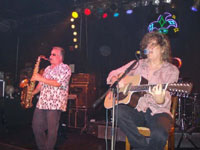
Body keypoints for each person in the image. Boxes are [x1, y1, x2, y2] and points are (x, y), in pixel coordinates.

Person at [106, 31, 179, 150]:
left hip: (158, 111)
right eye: (147, 45)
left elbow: (164, 98)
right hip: (137, 109)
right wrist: (117, 79)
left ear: (162, 49)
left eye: (153, 45)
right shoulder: (137, 64)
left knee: (159, 135)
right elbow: (112, 74)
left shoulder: (171, 70)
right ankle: (143, 147)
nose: (148, 48)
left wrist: (159, 99)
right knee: (117, 111)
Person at [31, 46, 71, 150]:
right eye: (51, 54)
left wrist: (40, 78)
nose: (50, 56)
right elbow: (40, 85)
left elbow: (58, 83)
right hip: (42, 102)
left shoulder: (65, 68)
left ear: (60, 57)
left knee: (52, 131)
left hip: (55, 103)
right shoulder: (47, 69)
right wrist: (31, 93)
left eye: (54, 54)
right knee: (36, 127)